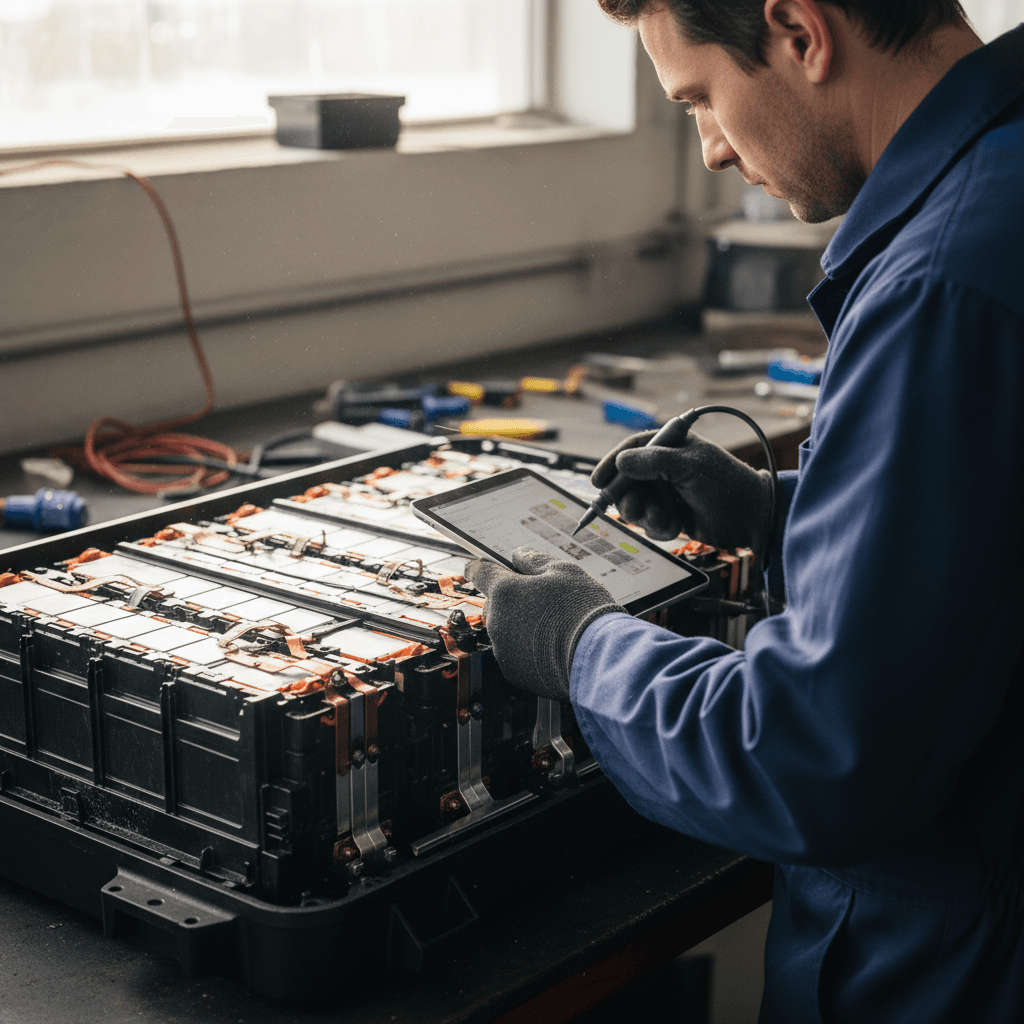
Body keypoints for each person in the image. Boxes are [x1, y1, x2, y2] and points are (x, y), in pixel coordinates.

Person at [466, 1, 1024, 1020]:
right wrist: (781, 512)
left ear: (799, 31)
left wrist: (583, 650)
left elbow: (816, 760)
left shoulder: (938, 285)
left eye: (699, 99)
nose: (713, 149)